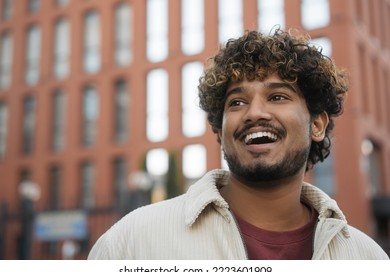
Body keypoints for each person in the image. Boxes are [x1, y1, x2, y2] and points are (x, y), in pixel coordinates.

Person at [88, 29, 389, 260]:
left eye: (277, 97)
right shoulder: (134, 242)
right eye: (237, 102)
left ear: (317, 124)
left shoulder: (367, 259)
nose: (254, 113)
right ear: (220, 130)